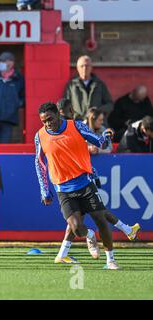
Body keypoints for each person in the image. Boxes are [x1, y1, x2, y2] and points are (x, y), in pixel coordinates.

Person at [35, 102, 120, 269]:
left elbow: (98, 142)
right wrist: (44, 190)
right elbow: (39, 163)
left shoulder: (77, 126)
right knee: (76, 227)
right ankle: (89, 235)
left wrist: (106, 137)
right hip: (63, 188)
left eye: (50, 119)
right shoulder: (40, 135)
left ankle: (110, 260)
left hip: (84, 182)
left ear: (58, 115)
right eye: (43, 121)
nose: (47, 124)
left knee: (101, 219)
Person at [64, 56, 113, 122]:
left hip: (97, 124)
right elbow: (65, 106)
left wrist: (97, 112)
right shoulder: (71, 85)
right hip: (78, 124)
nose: (84, 68)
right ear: (77, 68)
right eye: (82, 66)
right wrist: (77, 117)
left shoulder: (100, 84)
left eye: (87, 66)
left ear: (91, 67)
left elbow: (110, 104)